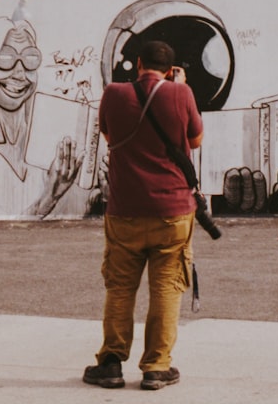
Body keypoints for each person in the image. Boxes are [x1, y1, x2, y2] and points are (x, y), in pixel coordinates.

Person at [83, 40, 203, 391]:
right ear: (169, 69)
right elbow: (194, 140)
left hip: (125, 210)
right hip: (173, 212)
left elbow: (109, 135)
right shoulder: (182, 93)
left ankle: (111, 363)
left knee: (120, 288)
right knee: (167, 288)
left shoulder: (113, 93)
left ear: (137, 64)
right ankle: (156, 367)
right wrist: (179, 89)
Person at [0, 16, 86, 218]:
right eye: (5, 60)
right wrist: (49, 197)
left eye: (30, 60)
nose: (20, 74)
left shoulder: (54, 147)